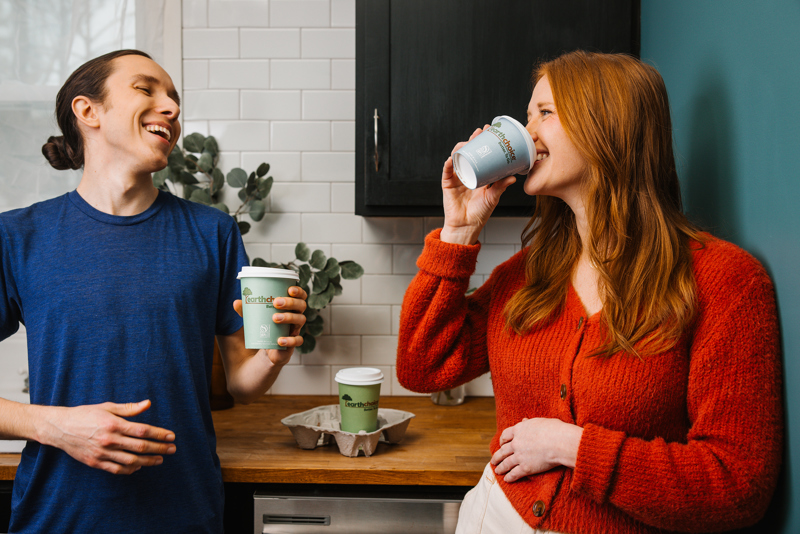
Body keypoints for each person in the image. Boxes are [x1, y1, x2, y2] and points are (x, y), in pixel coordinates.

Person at [396, 50, 782, 534]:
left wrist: (572, 447)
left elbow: (736, 487)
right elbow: (423, 364)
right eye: (527, 113)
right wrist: (458, 230)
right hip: (494, 517)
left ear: (607, 128)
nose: (526, 131)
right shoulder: (531, 273)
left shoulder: (725, 282)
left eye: (545, 113)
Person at [0, 49, 307, 533]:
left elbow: (241, 383)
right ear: (89, 111)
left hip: (185, 514)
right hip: (56, 517)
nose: (171, 108)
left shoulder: (213, 233)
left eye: (175, 100)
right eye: (147, 90)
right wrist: (51, 425)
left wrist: (273, 355)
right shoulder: (18, 237)